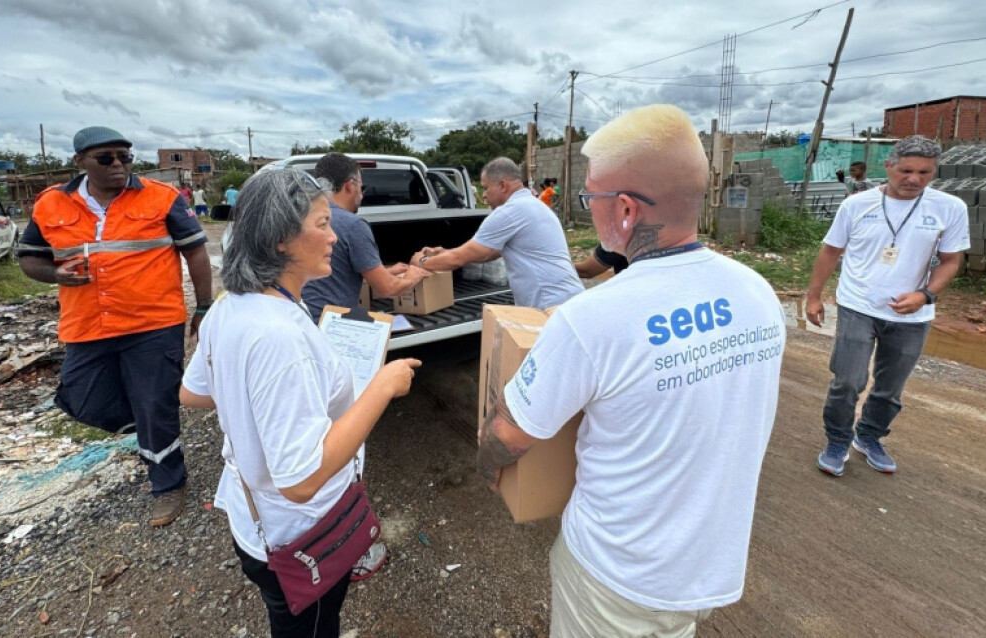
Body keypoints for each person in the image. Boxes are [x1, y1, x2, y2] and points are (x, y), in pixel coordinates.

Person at [477, 104, 786, 637]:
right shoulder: (757, 293)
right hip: (707, 569)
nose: (587, 209)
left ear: (623, 209)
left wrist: (487, 465)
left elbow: (511, 433)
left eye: (589, 198)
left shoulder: (591, 319)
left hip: (616, 576)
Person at [179, 167, 420, 637]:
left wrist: (262, 402)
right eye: (322, 223)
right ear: (279, 240)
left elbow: (193, 393)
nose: (333, 236)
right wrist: (383, 386)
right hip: (299, 532)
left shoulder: (231, 305)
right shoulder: (278, 337)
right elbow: (303, 480)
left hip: (253, 521)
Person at [18, 126, 213, 527]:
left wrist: (205, 307)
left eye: (125, 157)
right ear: (80, 162)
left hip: (153, 323)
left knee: (156, 404)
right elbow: (29, 259)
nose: (119, 165)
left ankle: (167, 483)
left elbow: (196, 253)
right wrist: (56, 273)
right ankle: (145, 432)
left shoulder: (161, 198)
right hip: (87, 325)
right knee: (82, 398)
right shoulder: (51, 204)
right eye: (106, 159)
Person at [808, 136, 969, 476]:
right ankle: (837, 440)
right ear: (889, 166)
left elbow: (952, 260)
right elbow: (830, 251)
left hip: (912, 314)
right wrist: (814, 296)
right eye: (906, 170)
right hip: (858, 304)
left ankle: (868, 437)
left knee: (890, 388)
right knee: (848, 381)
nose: (914, 179)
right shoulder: (856, 205)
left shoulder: (949, 208)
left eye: (925, 172)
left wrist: (926, 295)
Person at [412, 157, 583, 310]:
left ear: (502, 185)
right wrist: (446, 253)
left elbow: (460, 258)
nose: (484, 195)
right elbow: (488, 253)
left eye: (486, 188)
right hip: (568, 300)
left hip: (550, 305)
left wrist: (421, 263)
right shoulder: (533, 205)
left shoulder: (508, 212)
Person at [302, 153, 431, 322]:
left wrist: (383, 272)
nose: (361, 195)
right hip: (330, 325)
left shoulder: (301, 217)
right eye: (361, 187)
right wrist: (412, 276)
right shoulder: (353, 225)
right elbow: (388, 288)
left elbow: (333, 272)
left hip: (301, 319)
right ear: (350, 185)